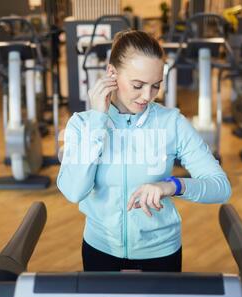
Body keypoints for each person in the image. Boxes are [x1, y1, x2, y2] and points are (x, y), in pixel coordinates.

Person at [57, 30, 232, 272]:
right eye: (138, 85)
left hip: (161, 252)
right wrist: (98, 120)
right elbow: (73, 191)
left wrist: (172, 185)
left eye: (155, 86)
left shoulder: (172, 122)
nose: (147, 96)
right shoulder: (82, 124)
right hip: (100, 249)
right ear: (111, 74)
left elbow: (220, 187)